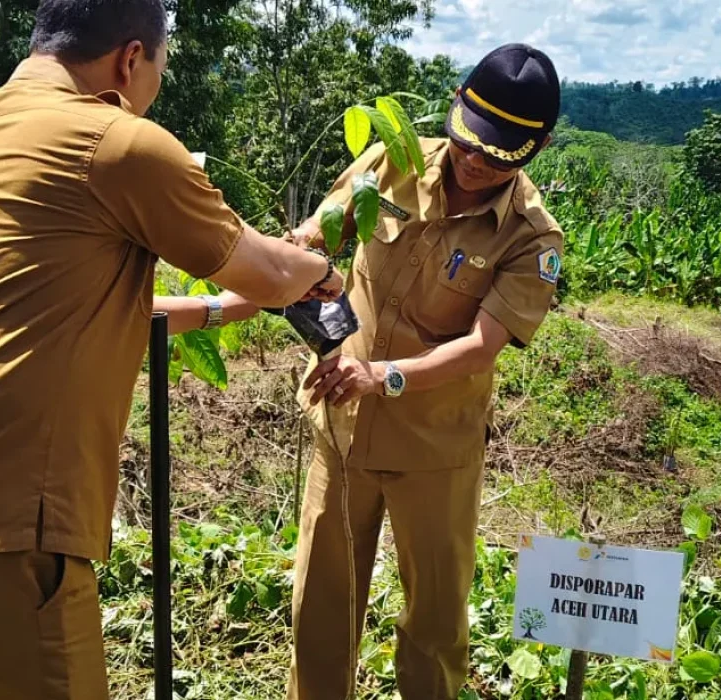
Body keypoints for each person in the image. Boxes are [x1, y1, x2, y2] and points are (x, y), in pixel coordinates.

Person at [0, 1, 342, 698]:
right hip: (2, 515)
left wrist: (214, 310)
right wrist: (321, 272)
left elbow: (43, 304)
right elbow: (267, 271)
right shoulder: (116, 143)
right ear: (130, 58)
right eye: (162, 67)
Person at [285, 43, 564, 700]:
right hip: (342, 434)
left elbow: (480, 347)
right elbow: (313, 244)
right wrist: (322, 335)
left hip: (435, 453)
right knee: (320, 609)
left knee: (433, 625)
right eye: (467, 140)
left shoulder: (530, 239)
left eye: (497, 156)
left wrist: (384, 377)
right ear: (455, 106)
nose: (473, 162)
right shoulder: (391, 163)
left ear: (537, 147)